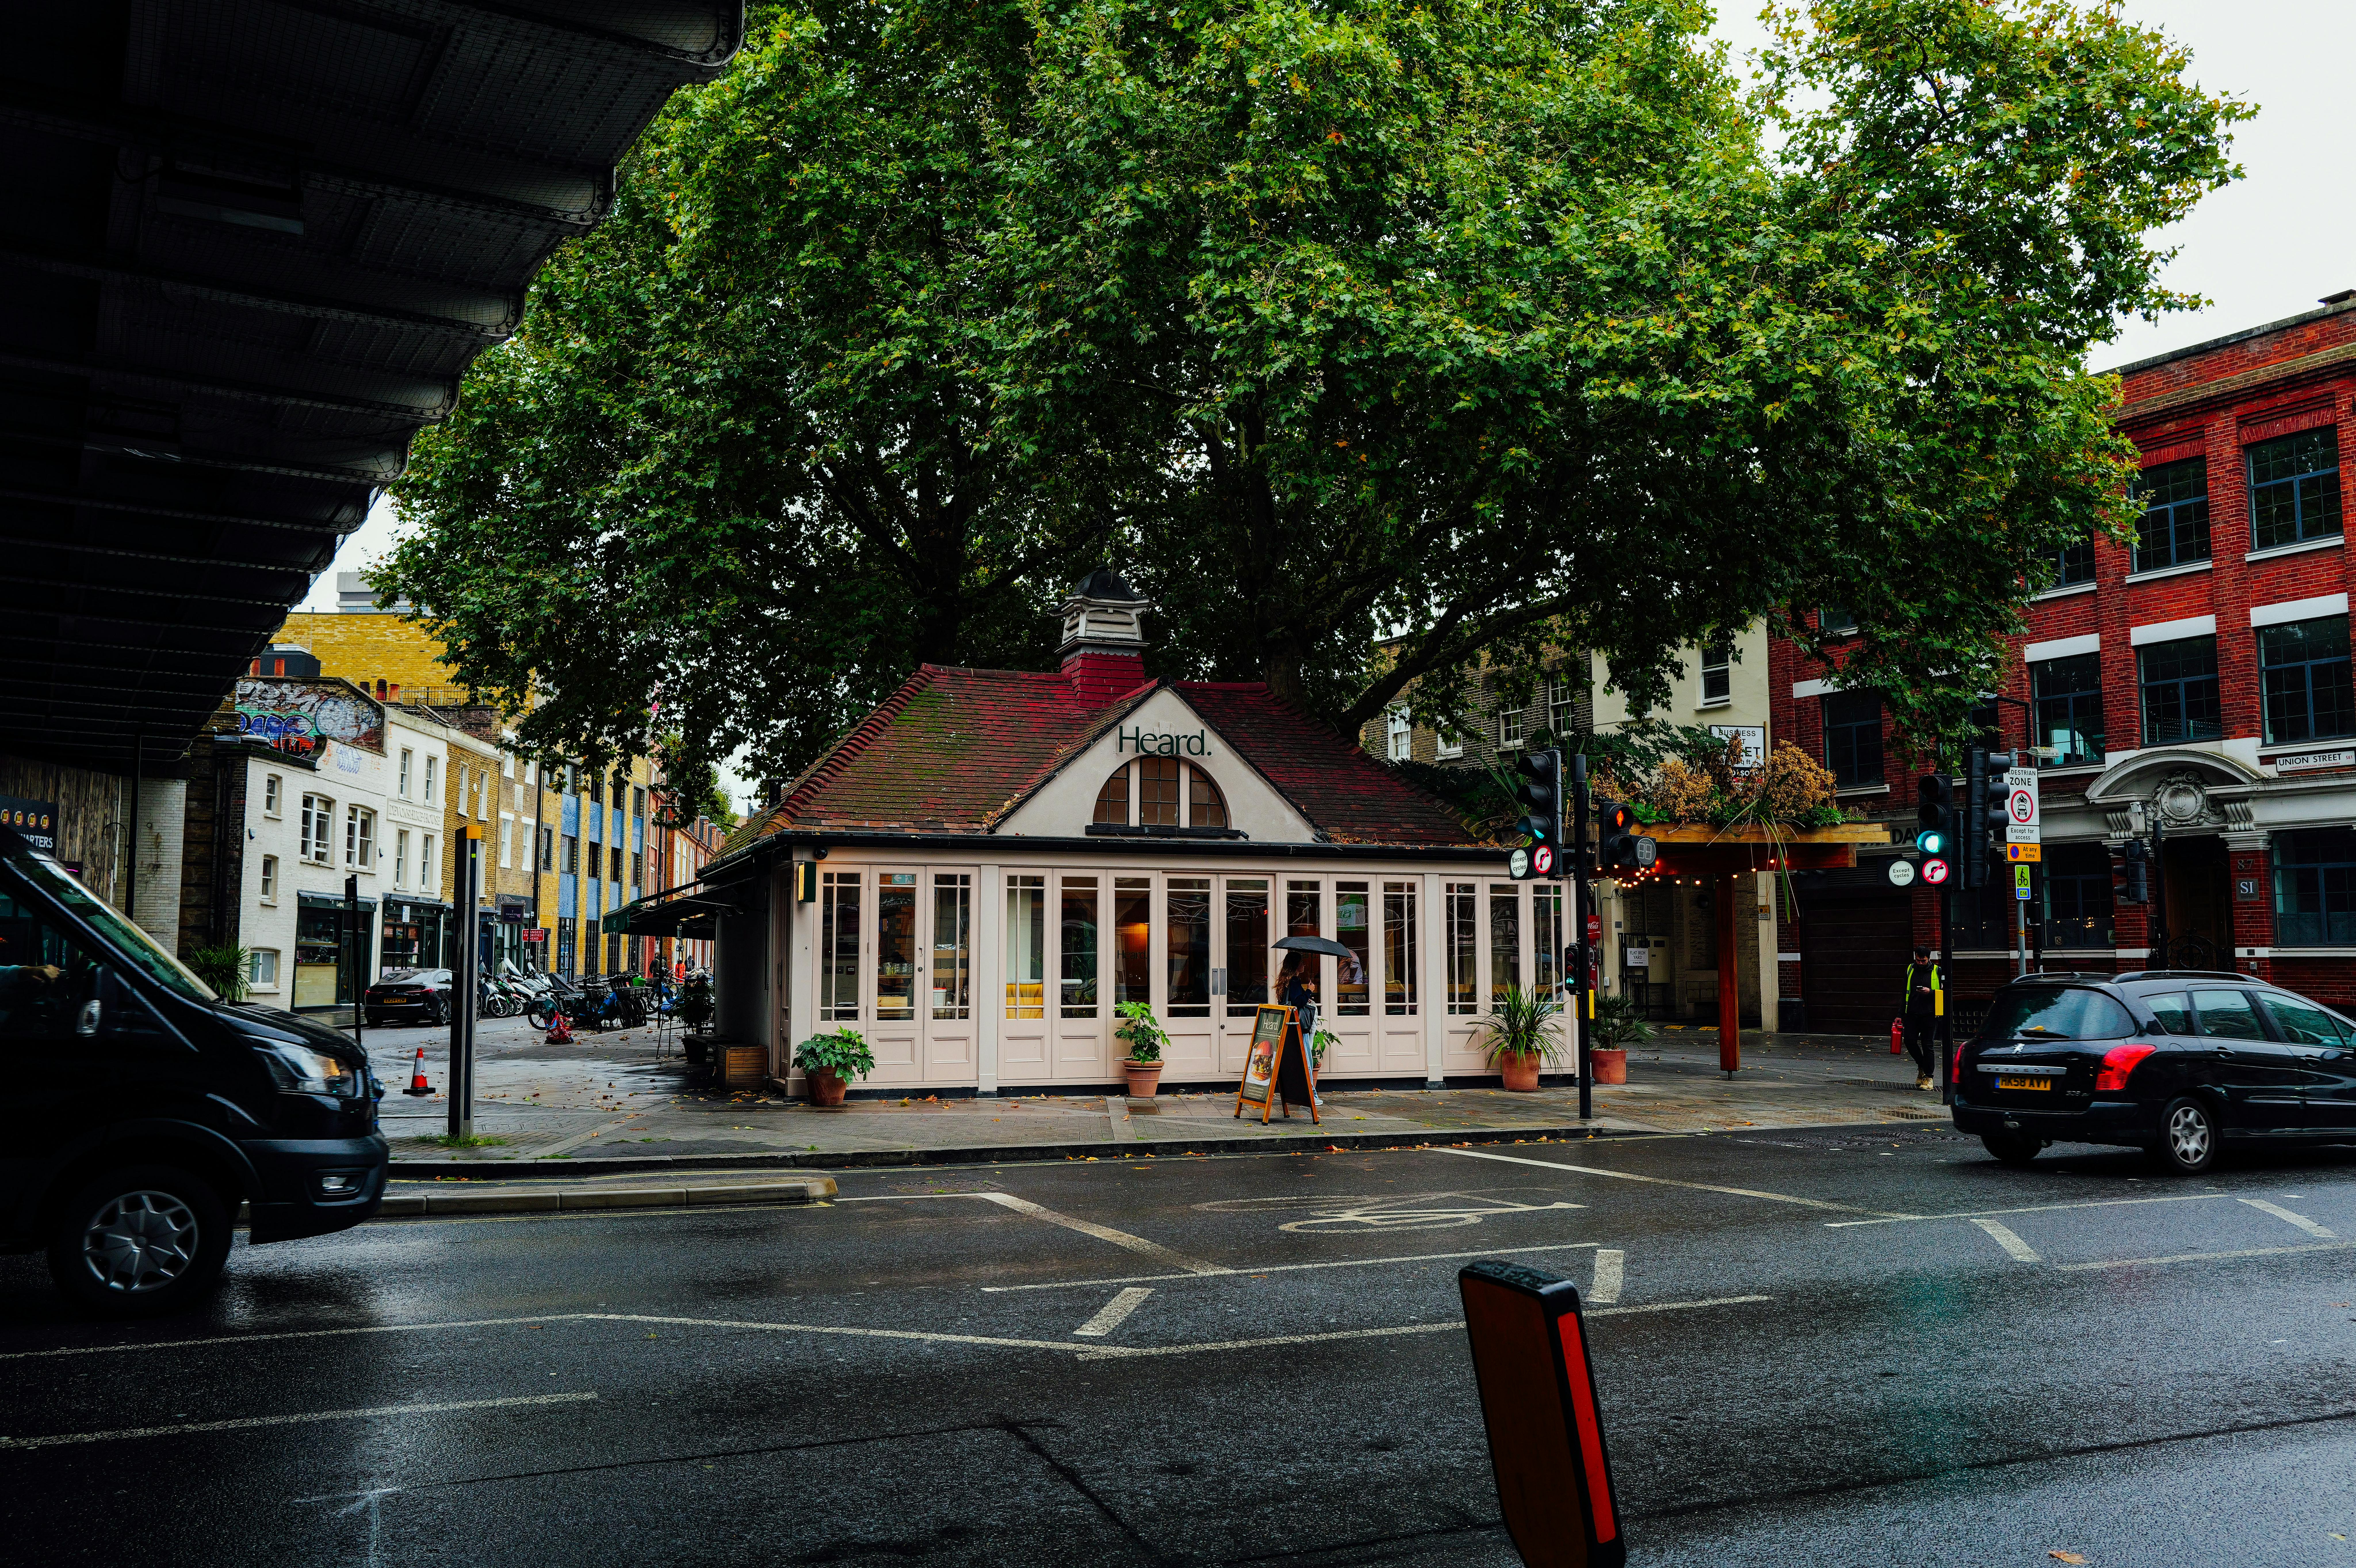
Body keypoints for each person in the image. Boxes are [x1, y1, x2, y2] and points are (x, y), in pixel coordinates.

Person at [1275, 951, 1322, 1108]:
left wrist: (1305, 995)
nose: (1304, 965)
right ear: (1296, 965)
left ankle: (1298, 1094)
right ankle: (1311, 1095)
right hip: (1298, 1026)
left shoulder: (1286, 981)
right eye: (1302, 963)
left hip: (1288, 1025)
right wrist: (1309, 991)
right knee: (1306, 1060)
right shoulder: (1294, 980)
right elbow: (1297, 1002)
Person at [1900, 944, 1941, 1092]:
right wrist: (1900, 1015)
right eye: (1918, 960)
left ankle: (1928, 1077)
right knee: (1910, 1041)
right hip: (1912, 1013)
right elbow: (1905, 992)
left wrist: (1930, 992)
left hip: (1930, 1014)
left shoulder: (1937, 971)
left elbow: (1945, 992)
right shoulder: (1911, 970)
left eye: (1923, 961)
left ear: (1929, 959)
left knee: (1928, 1045)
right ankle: (1922, 1066)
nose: (1920, 963)